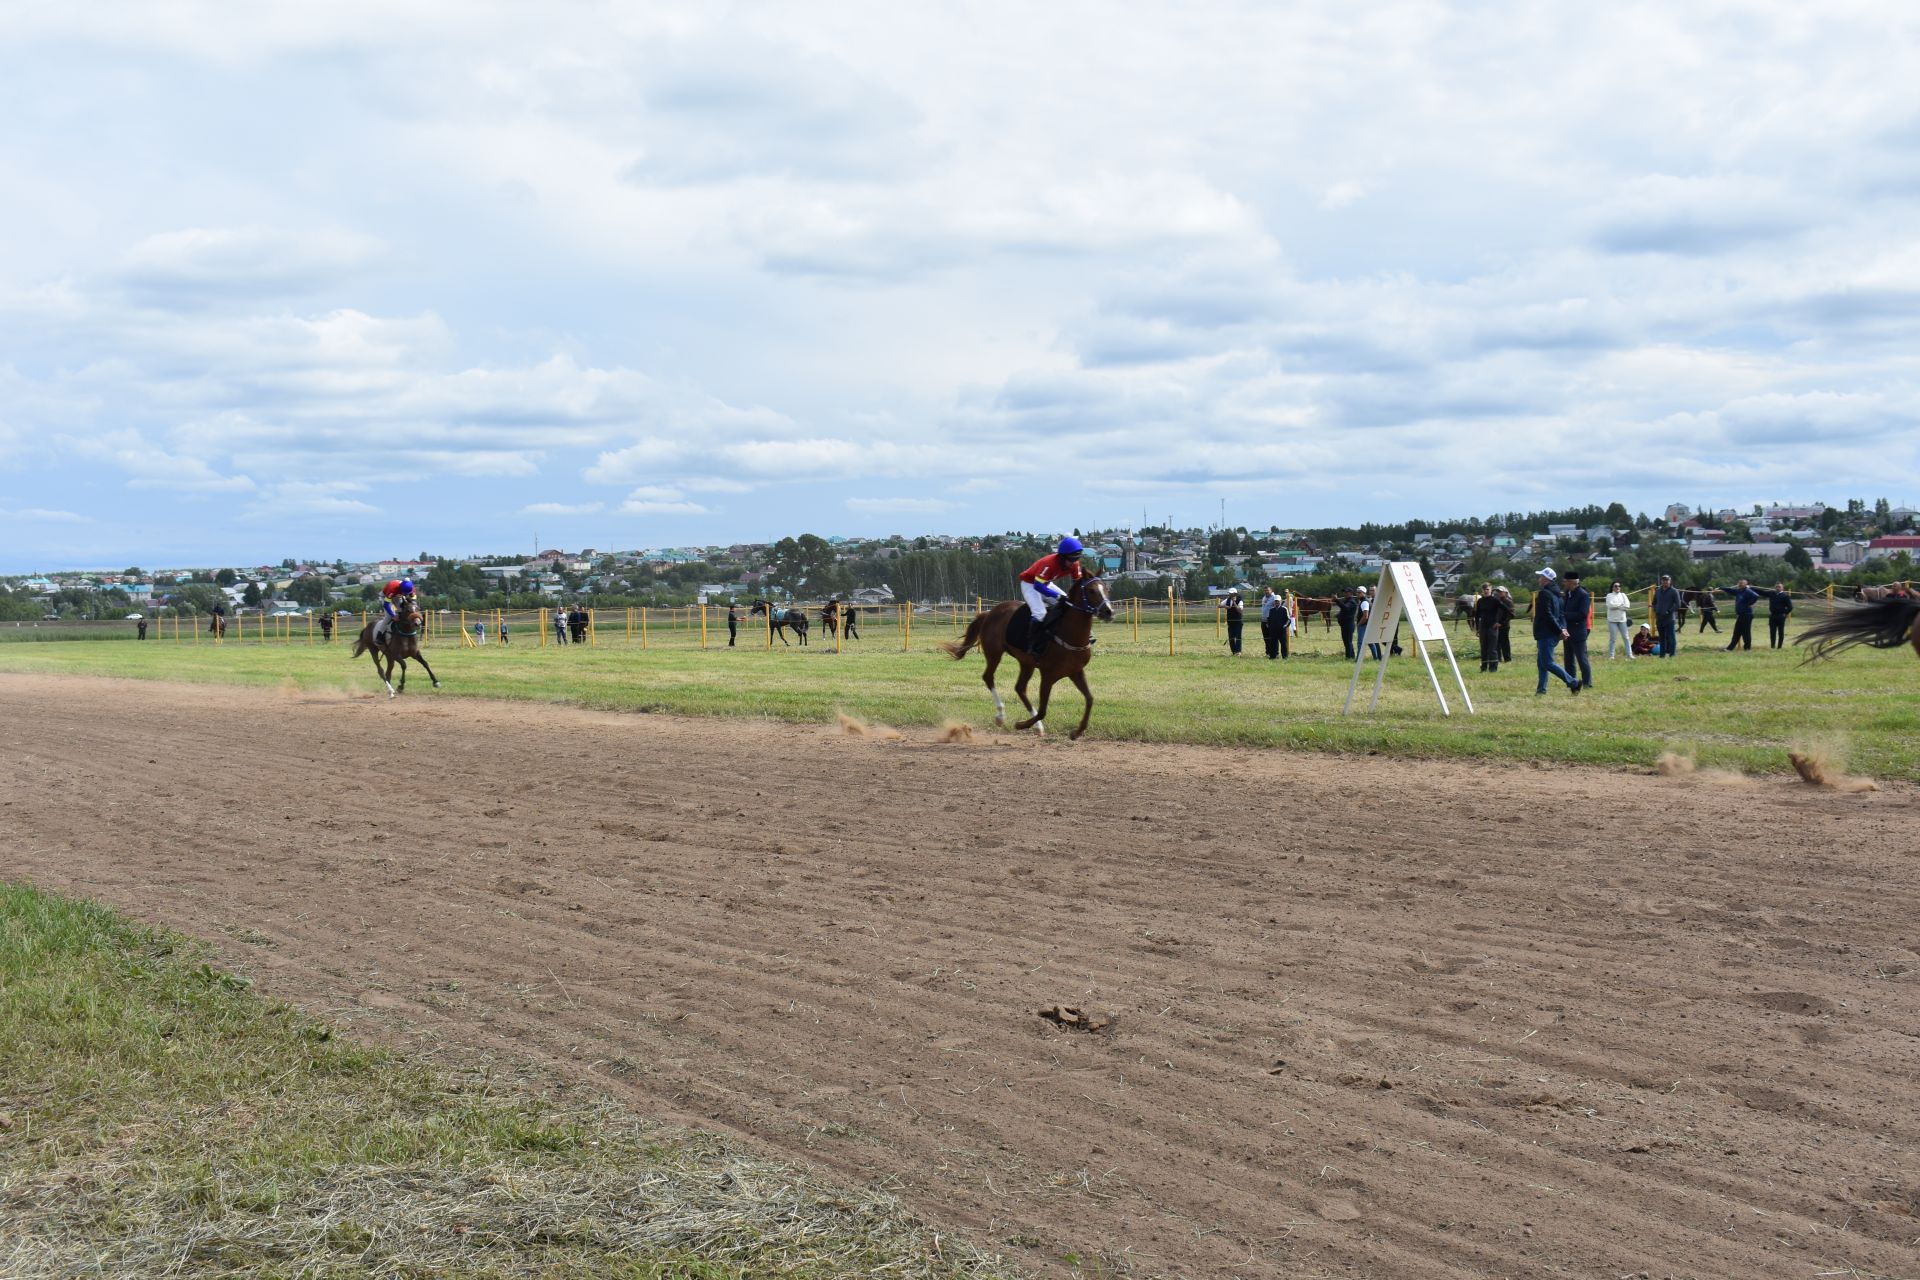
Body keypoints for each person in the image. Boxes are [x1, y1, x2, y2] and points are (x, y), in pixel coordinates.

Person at [1015, 536, 1088, 655]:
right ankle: (1032, 644)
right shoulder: (1049, 564)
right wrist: (1057, 596)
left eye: (1076, 559)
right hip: (1030, 583)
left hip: (1045, 583)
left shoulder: (1074, 563)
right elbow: (1038, 587)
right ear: (1062, 557)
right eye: (1071, 559)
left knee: (1069, 605)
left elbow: (1078, 584)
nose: (1073, 563)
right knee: (1040, 613)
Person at [1531, 567, 1580, 696]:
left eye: (1541, 576)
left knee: (1547, 662)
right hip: (1553, 633)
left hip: (1545, 633)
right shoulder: (1558, 595)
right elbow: (1561, 615)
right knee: (1542, 663)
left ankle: (1573, 682)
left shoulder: (1544, 594)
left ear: (1546, 579)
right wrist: (1562, 628)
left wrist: (1560, 630)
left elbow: (1547, 614)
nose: (1539, 579)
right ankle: (1541, 690)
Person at [1562, 570, 1593, 688]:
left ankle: (1587, 682)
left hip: (1578, 632)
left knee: (1581, 658)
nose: (1564, 584)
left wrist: (1565, 615)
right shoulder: (1567, 594)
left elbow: (1582, 614)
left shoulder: (1583, 595)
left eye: (1566, 582)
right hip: (1567, 631)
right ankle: (1571, 681)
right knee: (1568, 659)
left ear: (1572, 582)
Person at [1473, 582, 1510, 672]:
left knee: (1492, 649)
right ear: (1482, 590)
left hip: (1492, 627)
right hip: (1483, 627)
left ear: (1490, 589)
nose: (1486, 591)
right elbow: (1477, 615)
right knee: (1483, 648)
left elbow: (1507, 611)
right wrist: (1477, 628)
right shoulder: (1480, 601)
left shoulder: (1495, 600)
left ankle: (1493, 668)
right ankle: (1484, 667)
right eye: (1484, 589)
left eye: (1487, 589)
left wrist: (1500, 622)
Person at [1720, 579, 1760, 651]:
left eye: (1742, 583)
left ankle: (1747, 648)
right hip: (1741, 615)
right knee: (1737, 632)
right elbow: (1730, 590)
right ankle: (1730, 648)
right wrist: (1721, 588)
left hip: (1747, 614)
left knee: (1746, 632)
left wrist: (1749, 603)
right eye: (1739, 583)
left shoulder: (1748, 591)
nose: (1740, 585)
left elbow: (1756, 596)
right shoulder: (1738, 591)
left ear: (1745, 584)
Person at [374, 578, 415, 645]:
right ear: (401, 588)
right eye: (404, 593)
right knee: (390, 615)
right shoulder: (392, 588)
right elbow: (386, 604)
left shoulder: (411, 588)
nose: (405, 594)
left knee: (402, 611)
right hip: (385, 597)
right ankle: (379, 635)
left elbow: (413, 600)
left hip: (397, 597)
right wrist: (393, 615)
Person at [1652, 575, 1681, 659]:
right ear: (1661, 581)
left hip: (1669, 619)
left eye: (1667, 580)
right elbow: (1654, 603)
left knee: (1671, 637)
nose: (1665, 582)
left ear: (1670, 581)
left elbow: (1678, 604)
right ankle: (1662, 655)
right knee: (1661, 638)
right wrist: (1655, 609)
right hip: (1659, 618)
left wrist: (1669, 611)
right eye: (1664, 580)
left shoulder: (1674, 591)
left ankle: (1672, 655)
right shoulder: (1657, 591)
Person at [1604, 580, 1634, 659]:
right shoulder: (1609, 595)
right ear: (1612, 587)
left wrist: (1616, 606)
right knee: (1613, 638)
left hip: (1622, 620)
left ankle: (1629, 655)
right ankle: (1611, 655)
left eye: (1619, 586)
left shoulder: (1623, 595)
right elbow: (1610, 605)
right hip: (1612, 620)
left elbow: (1627, 606)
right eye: (1616, 586)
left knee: (1626, 637)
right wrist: (1620, 605)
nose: (1617, 587)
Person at [1260, 587, 1290, 659]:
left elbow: (1288, 619)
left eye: (1278, 601)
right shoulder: (1271, 610)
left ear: (1280, 601)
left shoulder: (1284, 609)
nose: (1277, 602)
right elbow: (1269, 619)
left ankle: (1285, 657)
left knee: (1283, 644)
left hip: (1281, 630)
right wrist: (1268, 625)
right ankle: (1272, 656)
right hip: (1273, 630)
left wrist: (1285, 626)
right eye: (1276, 601)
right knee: (1272, 643)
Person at [1764, 582, 1793, 648]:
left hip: (1781, 616)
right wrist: (1751, 588)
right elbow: (1762, 592)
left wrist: (1785, 614)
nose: (1777, 588)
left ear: (1782, 588)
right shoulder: (1772, 594)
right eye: (1776, 587)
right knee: (1772, 632)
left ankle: (1779, 646)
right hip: (1772, 616)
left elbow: (1790, 607)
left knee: (1780, 632)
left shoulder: (1785, 596)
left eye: (1779, 587)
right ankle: (1772, 646)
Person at [1335, 587, 1359, 660]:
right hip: (1345, 625)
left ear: (1351, 593)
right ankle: (1351, 656)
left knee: (1348, 641)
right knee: (1346, 641)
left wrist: (1337, 600)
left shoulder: (1352, 602)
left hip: (1348, 625)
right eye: (1344, 592)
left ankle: (1348, 657)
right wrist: (1339, 615)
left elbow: (1346, 608)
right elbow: (1344, 610)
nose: (1345, 593)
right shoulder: (1347, 601)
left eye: (1346, 592)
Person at [1221, 589, 1245, 655]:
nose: (1230, 594)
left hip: (1238, 622)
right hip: (1230, 622)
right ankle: (1234, 652)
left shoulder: (1240, 601)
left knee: (1238, 637)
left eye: (1232, 593)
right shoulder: (1227, 600)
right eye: (1229, 593)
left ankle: (1238, 652)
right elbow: (1219, 605)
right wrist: (1225, 606)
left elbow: (1240, 610)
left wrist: (1234, 603)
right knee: (1231, 637)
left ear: (1235, 593)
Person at [1494, 587, 1515, 664]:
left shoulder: (1509, 602)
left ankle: (1507, 659)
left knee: (1505, 643)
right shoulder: (1496, 601)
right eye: (1498, 592)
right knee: (1497, 643)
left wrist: (1502, 623)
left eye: (1500, 591)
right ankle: (1498, 658)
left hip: (1505, 625)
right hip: (1496, 625)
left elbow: (1511, 615)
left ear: (1505, 592)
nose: (1499, 593)